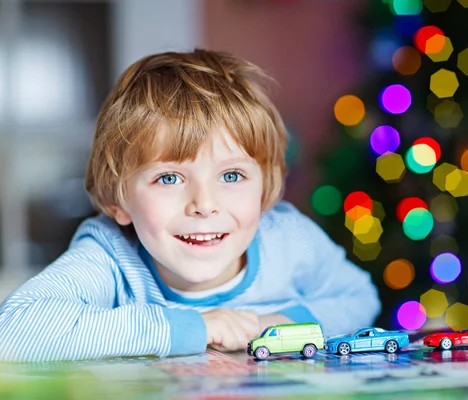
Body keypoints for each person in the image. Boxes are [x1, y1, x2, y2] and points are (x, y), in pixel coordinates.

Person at [0, 49, 381, 362]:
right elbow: (15, 329)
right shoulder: (111, 256)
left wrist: (275, 323)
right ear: (117, 200)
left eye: (231, 176)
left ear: (265, 189)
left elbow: (358, 299)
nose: (204, 204)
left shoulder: (289, 240)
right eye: (169, 178)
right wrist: (193, 328)